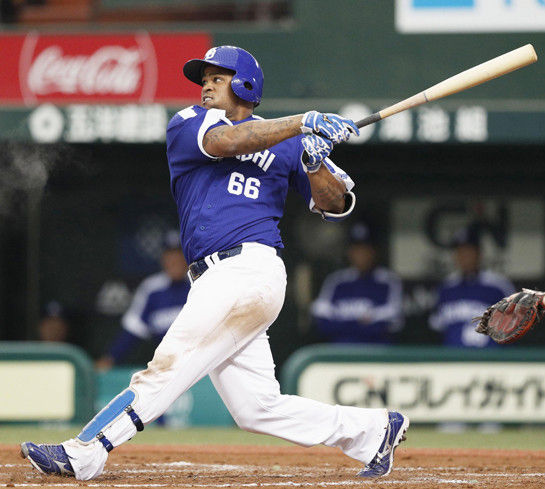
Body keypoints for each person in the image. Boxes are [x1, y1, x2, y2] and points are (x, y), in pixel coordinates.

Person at [21, 45, 408, 480]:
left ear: (245, 84)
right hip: (215, 277)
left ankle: (84, 452)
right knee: (257, 408)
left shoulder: (290, 142)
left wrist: (314, 161)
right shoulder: (190, 122)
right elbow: (226, 142)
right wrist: (303, 123)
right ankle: (373, 431)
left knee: (167, 365)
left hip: (248, 269)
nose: (206, 86)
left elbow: (336, 203)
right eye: (204, 79)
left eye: (218, 78)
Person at [95, 230, 190, 370]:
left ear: (188, 256)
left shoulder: (201, 283)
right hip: (168, 366)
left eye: (179, 255)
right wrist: (110, 359)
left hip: (203, 363)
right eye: (169, 255)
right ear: (162, 259)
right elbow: (133, 330)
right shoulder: (152, 289)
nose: (174, 261)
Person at [311, 221, 403, 344]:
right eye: (356, 250)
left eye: (365, 249)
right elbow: (323, 323)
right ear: (349, 252)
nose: (361, 255)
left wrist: (342, 322)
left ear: (374, 251)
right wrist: (363, 322)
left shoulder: (388, 281)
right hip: (339, 351)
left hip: (376, 351)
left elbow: (390, 325)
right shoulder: (336, 281)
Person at [429, 224, 515, 348]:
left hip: (489, 357)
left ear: (479, 253)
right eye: (459, 252)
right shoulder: (446, 287)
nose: (463, 257)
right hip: (452, 358)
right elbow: (436, 327)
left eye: (468, 251)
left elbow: (514, 329)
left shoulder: (498, 287)